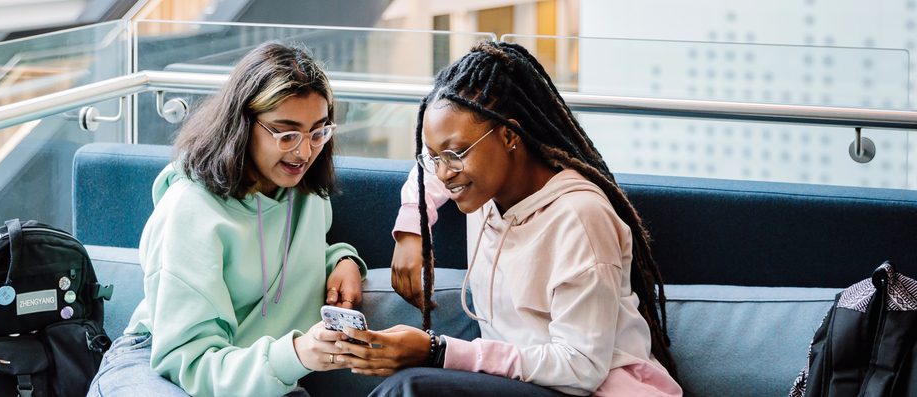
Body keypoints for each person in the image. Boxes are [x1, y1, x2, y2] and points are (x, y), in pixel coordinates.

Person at [332, 41, 683, 396]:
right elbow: (426, 178)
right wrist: (412, 229)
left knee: (410, 388)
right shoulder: (485, 191)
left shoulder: (580, 218)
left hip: (594, 389)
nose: (443, 173)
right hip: (525, 385)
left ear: (509, 135)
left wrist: (439, 351)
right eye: (434, 157)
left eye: (454, 154)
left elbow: (582, 368)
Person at [86, 42, 367, 397]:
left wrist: (341, 259)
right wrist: (296, 354)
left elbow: (298, 252)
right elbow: (190, 360)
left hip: (250, 374)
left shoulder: (307, 194)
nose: (304, 151)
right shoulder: (189, 211)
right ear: (243, 125)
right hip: (164, 364)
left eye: (318, 132)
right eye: (286, 133)